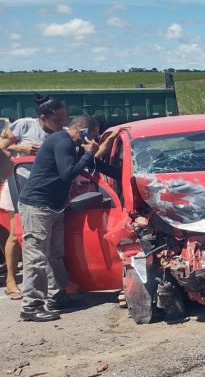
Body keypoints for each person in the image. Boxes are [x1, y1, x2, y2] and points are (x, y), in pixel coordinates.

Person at [17, 115, 118, 321]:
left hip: (53, 206)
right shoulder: (62, 141)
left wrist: (124, 174)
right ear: (82, 130)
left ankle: (58, 296)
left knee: (55, 254)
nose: (93, 140)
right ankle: (31, 305)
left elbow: (93, 166)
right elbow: (68, 174)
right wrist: (88, 152)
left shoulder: (72, 146)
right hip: (37, 206)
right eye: (92, 135)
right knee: (36, 256)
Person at [0, 95, 68, 301]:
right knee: (15, 234)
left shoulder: (61, 135)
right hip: (19, 184)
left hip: (45, 192)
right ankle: (11, 280)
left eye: (65, 120)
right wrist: (20, 148)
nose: (62, 124)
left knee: (49, 246)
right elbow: (2, 144)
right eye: (58, 120)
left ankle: (55, 289)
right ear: (43, 117)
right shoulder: (24, 126)